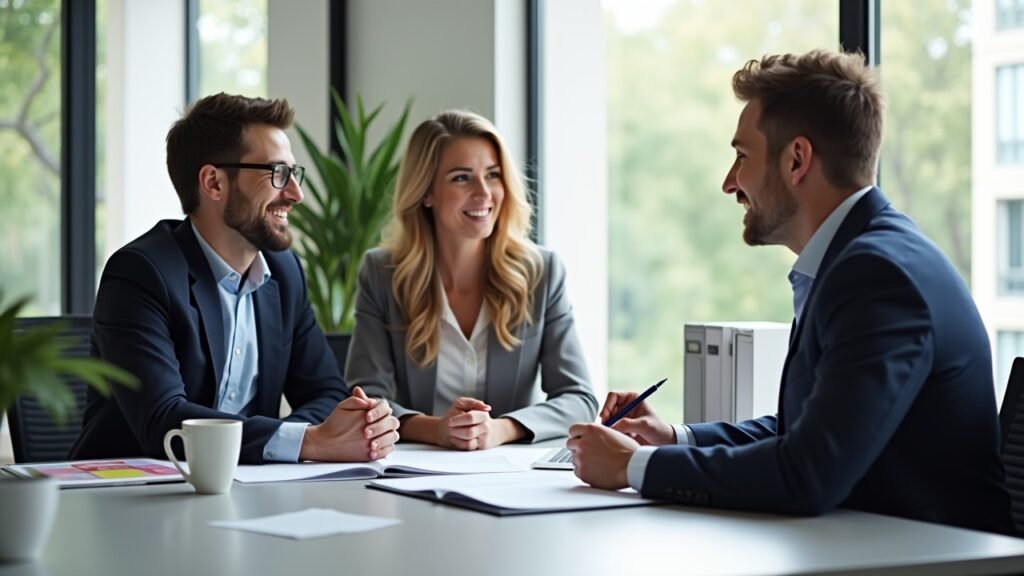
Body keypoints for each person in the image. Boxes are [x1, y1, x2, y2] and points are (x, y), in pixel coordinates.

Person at [567, 49, 1015, 535]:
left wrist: (633, 468)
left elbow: (808, 473)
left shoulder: (878, 276)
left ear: (797, 159)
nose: (729, 183)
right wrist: (676, 438)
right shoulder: (857, 258)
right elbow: (804, 431)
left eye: (741, 156)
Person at [71, 93, 399, 464]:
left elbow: (325, 392)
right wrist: (308, 442)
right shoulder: (142, 274)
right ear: (213, 183)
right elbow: (164, 421)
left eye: (294, 173)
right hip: (129, 495)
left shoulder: (284, 272)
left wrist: (322, 434)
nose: (296, 194)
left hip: (244, 491)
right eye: (277, 173)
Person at [346, 110, 597, 450]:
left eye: (493, 175)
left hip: (509, 474)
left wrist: (501, 429)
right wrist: (436, 430)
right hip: (415, 470)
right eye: (462, 178)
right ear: (426, 193)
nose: (484, 193)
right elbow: (367, 399)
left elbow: (578, 397)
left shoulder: (541, 271)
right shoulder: (382, 274)